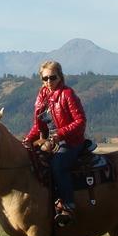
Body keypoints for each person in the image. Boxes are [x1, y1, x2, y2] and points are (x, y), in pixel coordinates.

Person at [23, 60, 87, 226]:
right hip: (50, 141)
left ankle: (68, 205)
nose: (49, 82)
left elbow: (80, 121)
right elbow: (38, 126)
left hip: (71, 141)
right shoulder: (41, 96)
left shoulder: (67, 94)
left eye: (53, 77)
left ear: (60, 77)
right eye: (45, 79)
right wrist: (28, 140)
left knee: (58, 164)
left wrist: (60, 133)